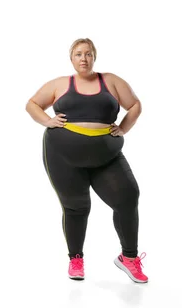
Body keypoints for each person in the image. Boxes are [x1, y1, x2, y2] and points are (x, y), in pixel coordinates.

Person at [25, 38, 148, 283]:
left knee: (127, 197)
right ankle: (76, 259)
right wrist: (47, 120)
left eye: (88, 54)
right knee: (76, 207)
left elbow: (134, 105)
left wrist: (123, 127)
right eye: (79, 54)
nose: (84, 58)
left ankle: (129, 258)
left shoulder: (111, 81)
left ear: (94, 57)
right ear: (71, 58)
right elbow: (32, 104)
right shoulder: (60, 84)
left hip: (107, 155)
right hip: (62, 156)